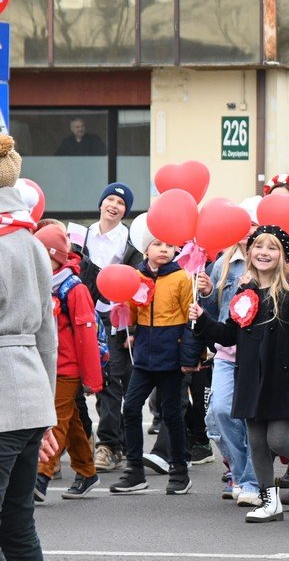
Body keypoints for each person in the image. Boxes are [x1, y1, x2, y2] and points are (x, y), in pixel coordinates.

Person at [188, 225, 289, 523]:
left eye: (272, 248)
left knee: (277, 439)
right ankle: (268, 501)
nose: (264, 253)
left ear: (284, 256)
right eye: (258, 246)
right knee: (257, 442)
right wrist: (203, 321)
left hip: (282, 378)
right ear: (249, 253)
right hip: (250, 377)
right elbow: (229, 335)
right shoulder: (244, 292)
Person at [0, 134, 60, 560]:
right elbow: (48, 336)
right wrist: (47, 412)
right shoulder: (31, 241)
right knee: (19, 525)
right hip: (31, 394)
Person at [109, 233, 197, 496]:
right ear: (145, 249)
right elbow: (134, 311)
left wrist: (189, 357)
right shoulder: (137, 277)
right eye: (157, 244)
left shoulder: (182, 277)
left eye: (169, 245)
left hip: (171, 356)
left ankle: (179, 471)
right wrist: (126, 320)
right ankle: (134, 470)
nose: (164, 250)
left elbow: (190, 320)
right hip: (145, 357)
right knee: (131, 408)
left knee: (171, 414)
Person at [33, 225, 104, 501]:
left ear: (57, 257)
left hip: (66, 368)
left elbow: (86, 335)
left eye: (43, 255)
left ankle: (41, 477)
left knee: (55, 420)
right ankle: (87, 472)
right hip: (45, 364)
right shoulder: (40, 283)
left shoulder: (73, 289)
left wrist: (92, 378)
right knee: (71, 419)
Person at [192, 223, 260, 506]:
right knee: (219, 412)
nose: (246, 230)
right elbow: (216, 314)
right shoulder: (223, 263)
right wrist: (207, 294)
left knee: (250, 420)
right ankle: (240, 471)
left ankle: (250, 482)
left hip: (255, 354)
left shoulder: (268, 261)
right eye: (241, 225)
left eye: (252, 225)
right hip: (226, 352)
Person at [79, 183, 138, 474]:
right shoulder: (81, 235)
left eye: (121, 203)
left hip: (115, 319)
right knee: (82, 382)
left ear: (126, 210)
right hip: (82, 316)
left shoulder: (131, 241)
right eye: (110, 200)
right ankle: (91, 441)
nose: (114, 206)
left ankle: (109, 445)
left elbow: (139, 285)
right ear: (101, 203)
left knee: (112, 379)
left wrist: (134, 327)